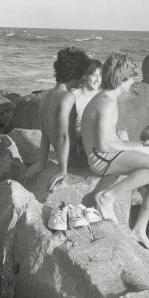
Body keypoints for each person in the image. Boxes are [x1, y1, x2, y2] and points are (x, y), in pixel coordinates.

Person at [82, 53, 149, 250]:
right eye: (131, 78)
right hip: (100, 159)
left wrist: (136, 145)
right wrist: (138, 146)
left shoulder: (107, 98)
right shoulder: (106, 102)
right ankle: (107, 197)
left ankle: (138, 230)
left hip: (105, 154)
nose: (134, 82)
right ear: (121, 79)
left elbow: (112, 136)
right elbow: (104, 145)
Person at [29, 47, 91, 191]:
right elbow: (63, 136)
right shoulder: (67, 97)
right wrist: (62, 170)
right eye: (84, 74)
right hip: (76, 157)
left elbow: (45, 136)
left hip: (65, 155)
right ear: (75, 74)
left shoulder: (45, 97)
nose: (85, 79)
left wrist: (41, 164)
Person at [68, 58, 102, 167]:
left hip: (100, 140)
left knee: (122, 134)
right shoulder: (72, 96)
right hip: (81, 147)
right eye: (94, 75)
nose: (98, 79)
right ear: (85, 75)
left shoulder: (102, 96)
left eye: (100, 76)